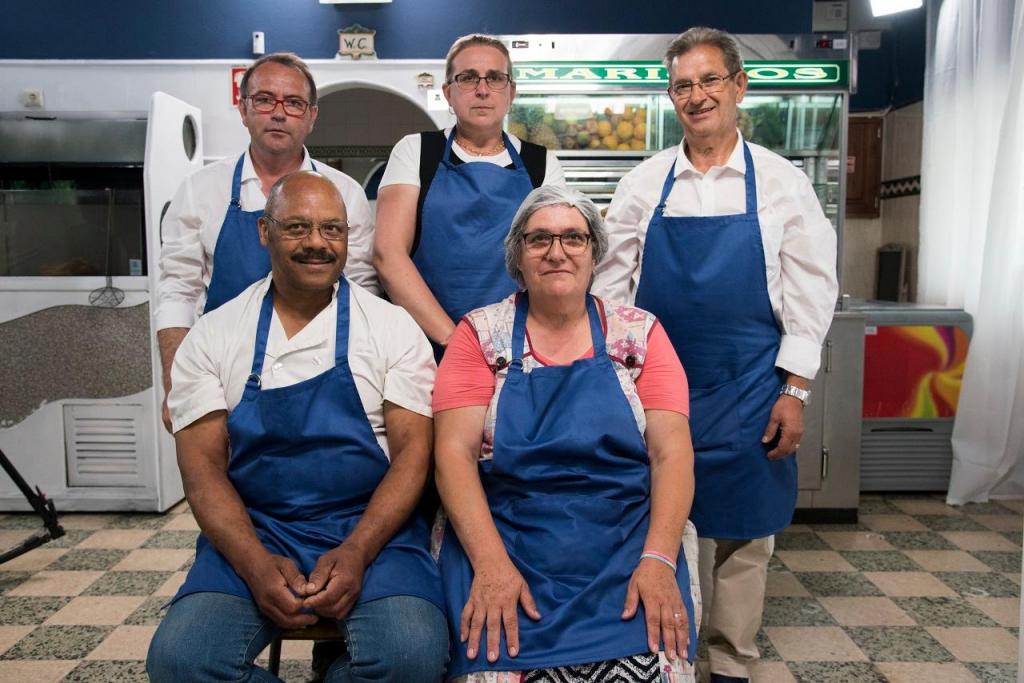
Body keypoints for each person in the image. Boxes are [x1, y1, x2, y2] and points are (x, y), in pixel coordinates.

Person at [593, 27, 839, 683]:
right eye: (683, 85)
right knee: (664, 523)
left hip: (751, 384)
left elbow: (812, 291)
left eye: (709, 81)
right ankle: (670, 654)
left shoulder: (783, 184)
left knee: (744, 535)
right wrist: (612, 382)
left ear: (739, 86)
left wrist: (796, 390)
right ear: (671, 96)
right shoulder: (644, 185)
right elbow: (610, 292)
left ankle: (731, 660)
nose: (697, 95)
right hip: (658, 389)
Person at [146, 172, 447, 683]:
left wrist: (358, 550)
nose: (316, 243)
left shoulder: (392, 329)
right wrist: (254, 563)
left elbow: (414, 456)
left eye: (332, 229)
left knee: (412, 657)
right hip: (256, 527)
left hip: (373, 528)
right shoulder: (214, 335)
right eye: (297, 227)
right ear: (265, 231)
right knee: (181, 662)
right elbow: (202, 472)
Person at [434, 186, 700, 682]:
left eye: (573, 238)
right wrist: (490, 566)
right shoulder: (479, 335)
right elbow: (453, 455)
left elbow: (672, 455)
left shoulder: (640, 335)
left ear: (595, 252)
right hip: (506, 539)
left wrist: (659, 559)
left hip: (627, 545)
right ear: (517, 256)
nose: (557, 252)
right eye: (539, 239)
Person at [155, 51, 375, 432]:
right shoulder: (200, 190)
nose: (278, 113)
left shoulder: (345, 193)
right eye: (264, 100)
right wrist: (177, 384)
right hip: (223, 377)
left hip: (321, 377)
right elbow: (178, 292)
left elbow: (360, 294)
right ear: (243, 109)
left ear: (312, 116)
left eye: (293, 103)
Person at [373, 34, 565, 353]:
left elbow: (553, 258)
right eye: (468, 78)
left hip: (518, 345)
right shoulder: (416, 151)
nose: (482, 89)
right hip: (423, 342)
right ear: (448, 92)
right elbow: (388, 254)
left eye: (495, 78)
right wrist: (455, 340)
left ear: (511, 92)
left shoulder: (542, 164)